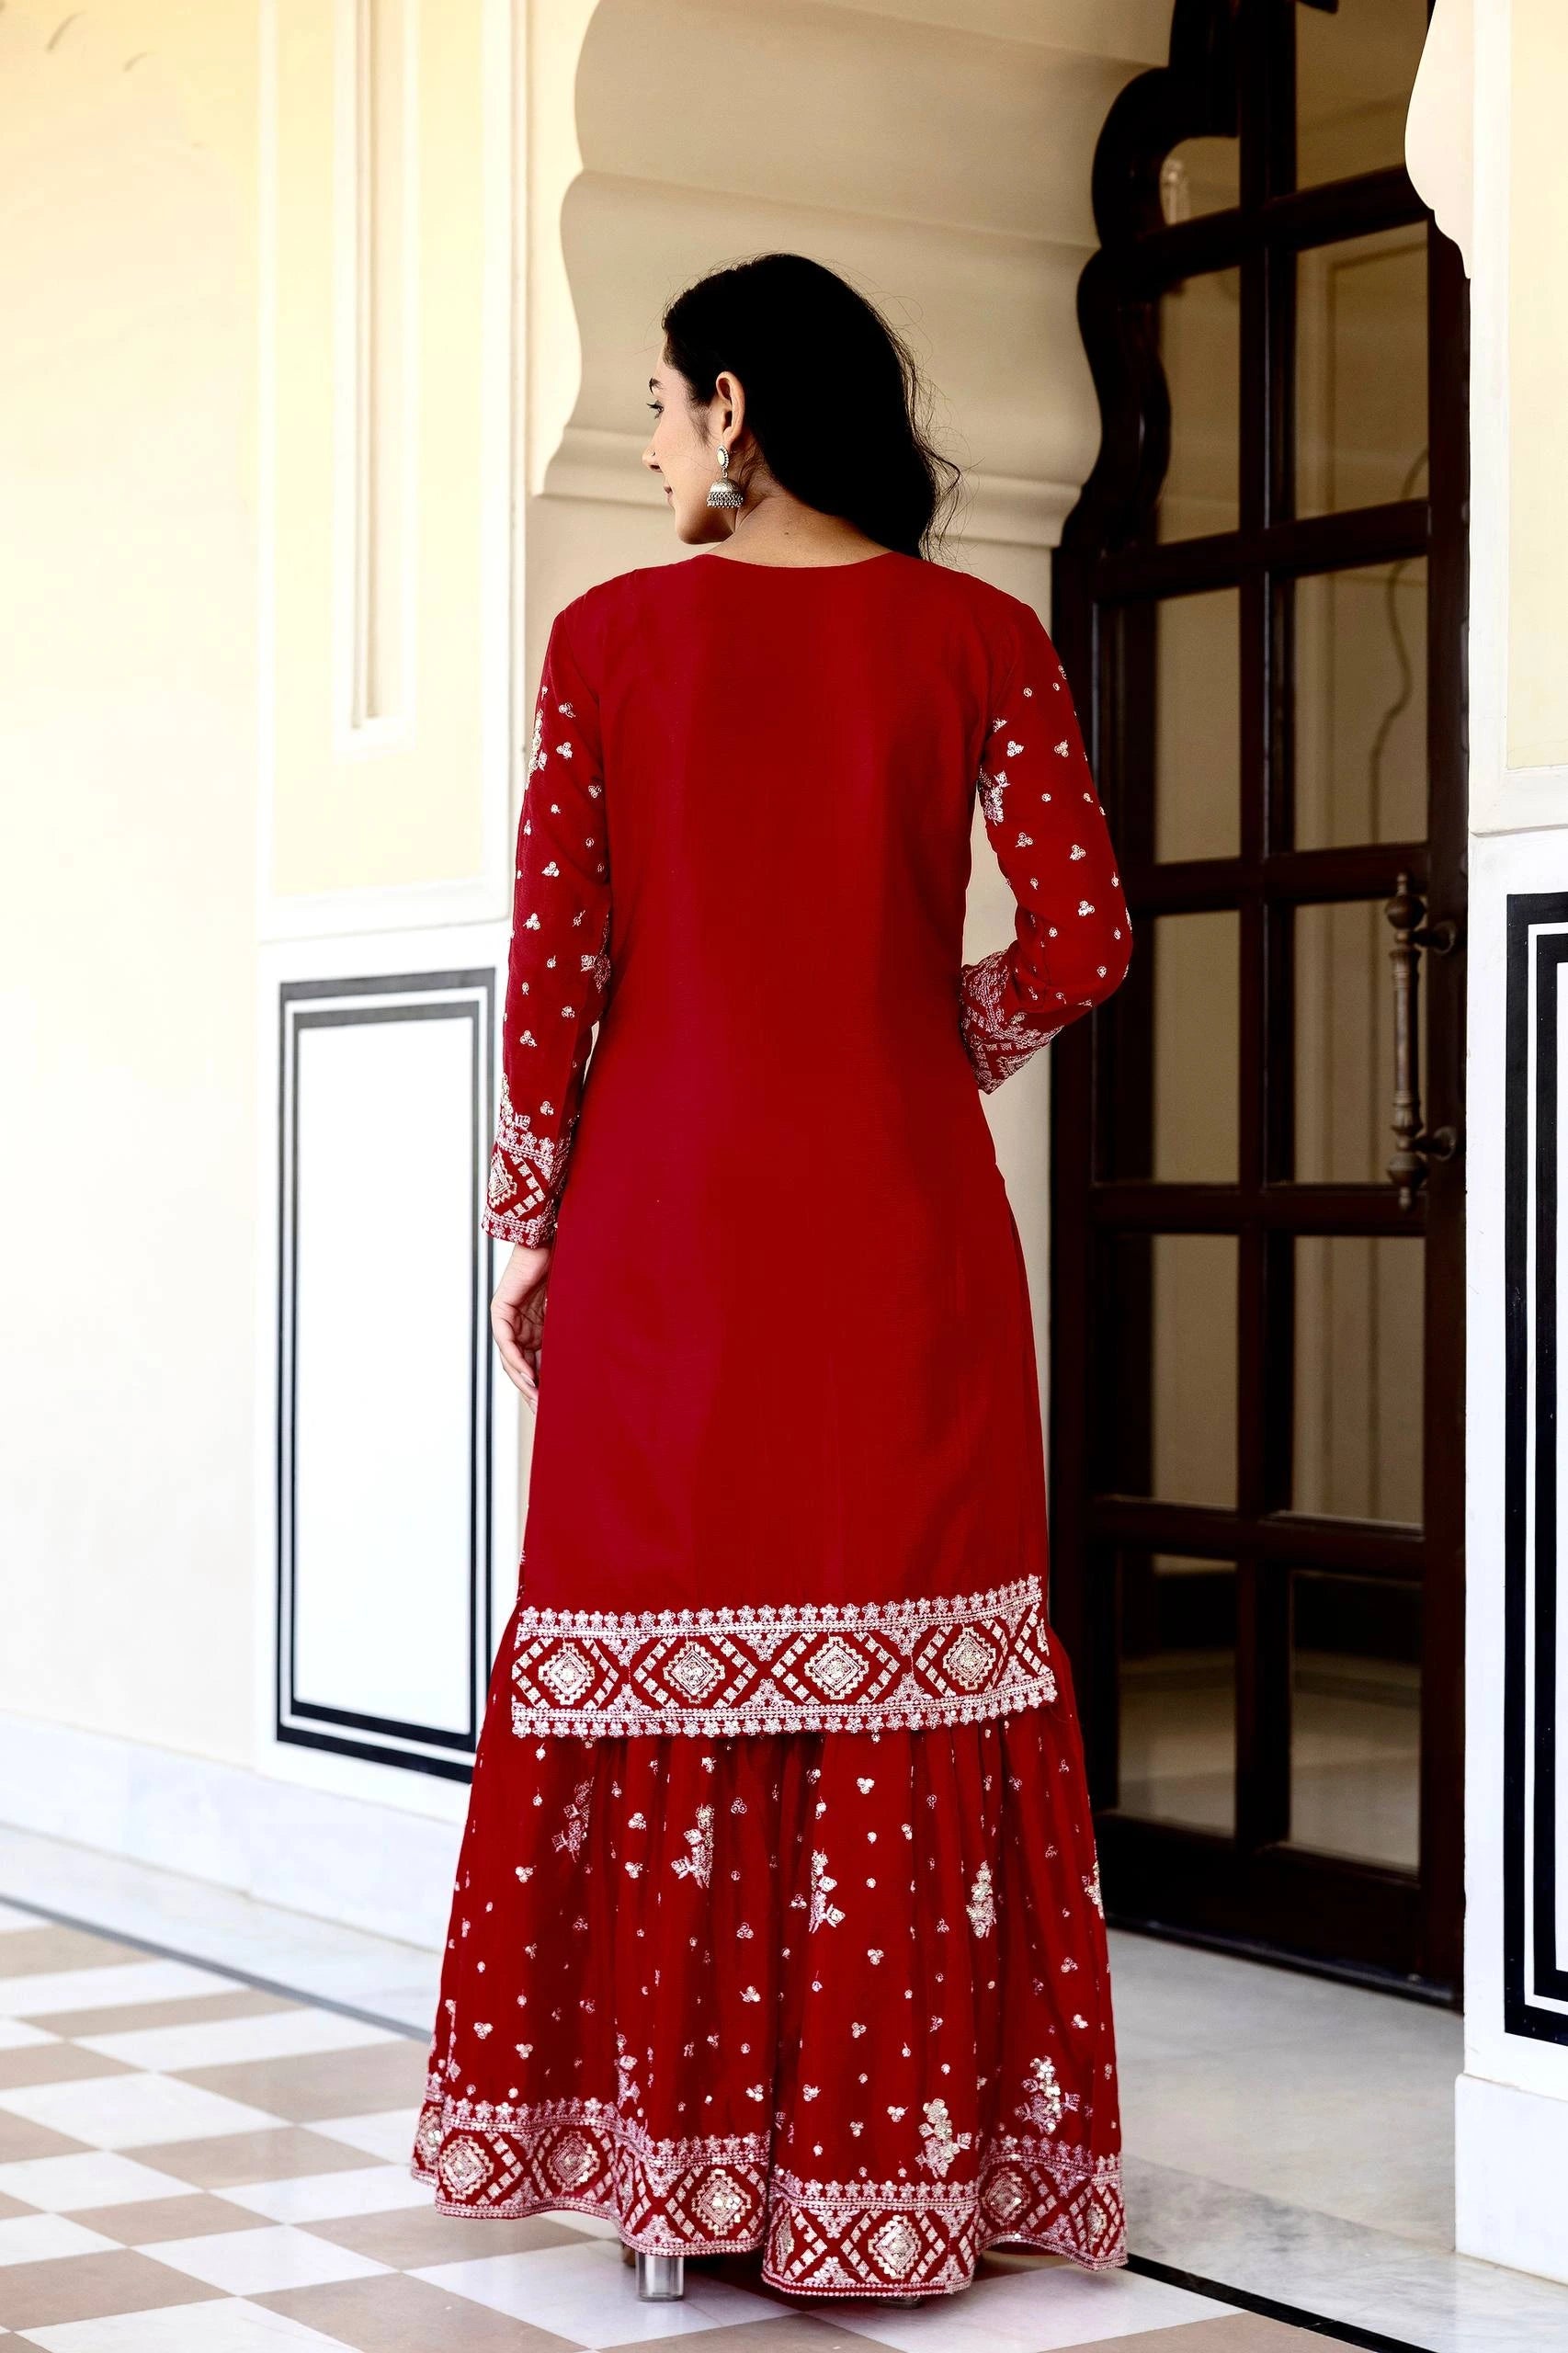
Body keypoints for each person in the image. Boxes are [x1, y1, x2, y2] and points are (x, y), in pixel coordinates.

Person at [409, 251, 1133, 2308]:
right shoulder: (979, 637)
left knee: (673, 1671)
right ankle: (892, 2179)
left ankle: (671, 2186)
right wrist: (936, 1042)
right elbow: (1084, 940)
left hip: (668, 1225)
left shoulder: (610, 645)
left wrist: (528, 1211)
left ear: (732, 406)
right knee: (904, 1667)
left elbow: (556, 967)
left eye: (654, 401)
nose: (642, 441)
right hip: (904, 1226)